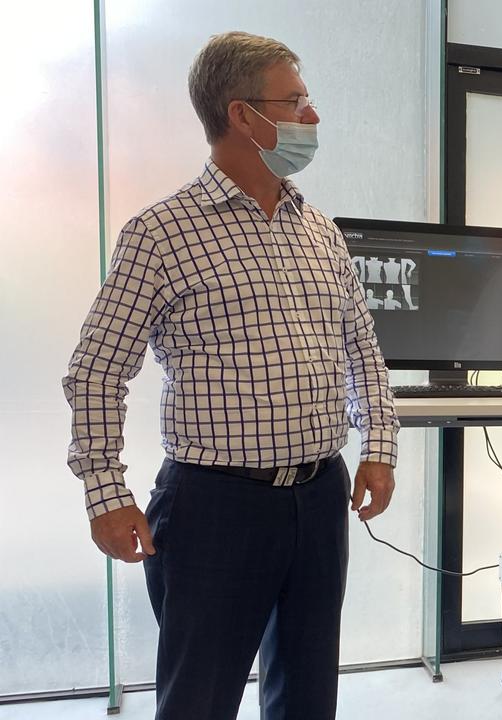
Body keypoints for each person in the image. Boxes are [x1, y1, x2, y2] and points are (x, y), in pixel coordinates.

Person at [62, 31, 399, 720]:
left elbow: (361, 349)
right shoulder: (162, 233)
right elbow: (96, 370)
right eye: (296, 101)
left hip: (317, 495)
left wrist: (379, 448)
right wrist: (105, 492)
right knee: (199, 699)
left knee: (307, 695)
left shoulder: (320, 232)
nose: (312, 117)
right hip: (215, 509)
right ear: (243, 115)